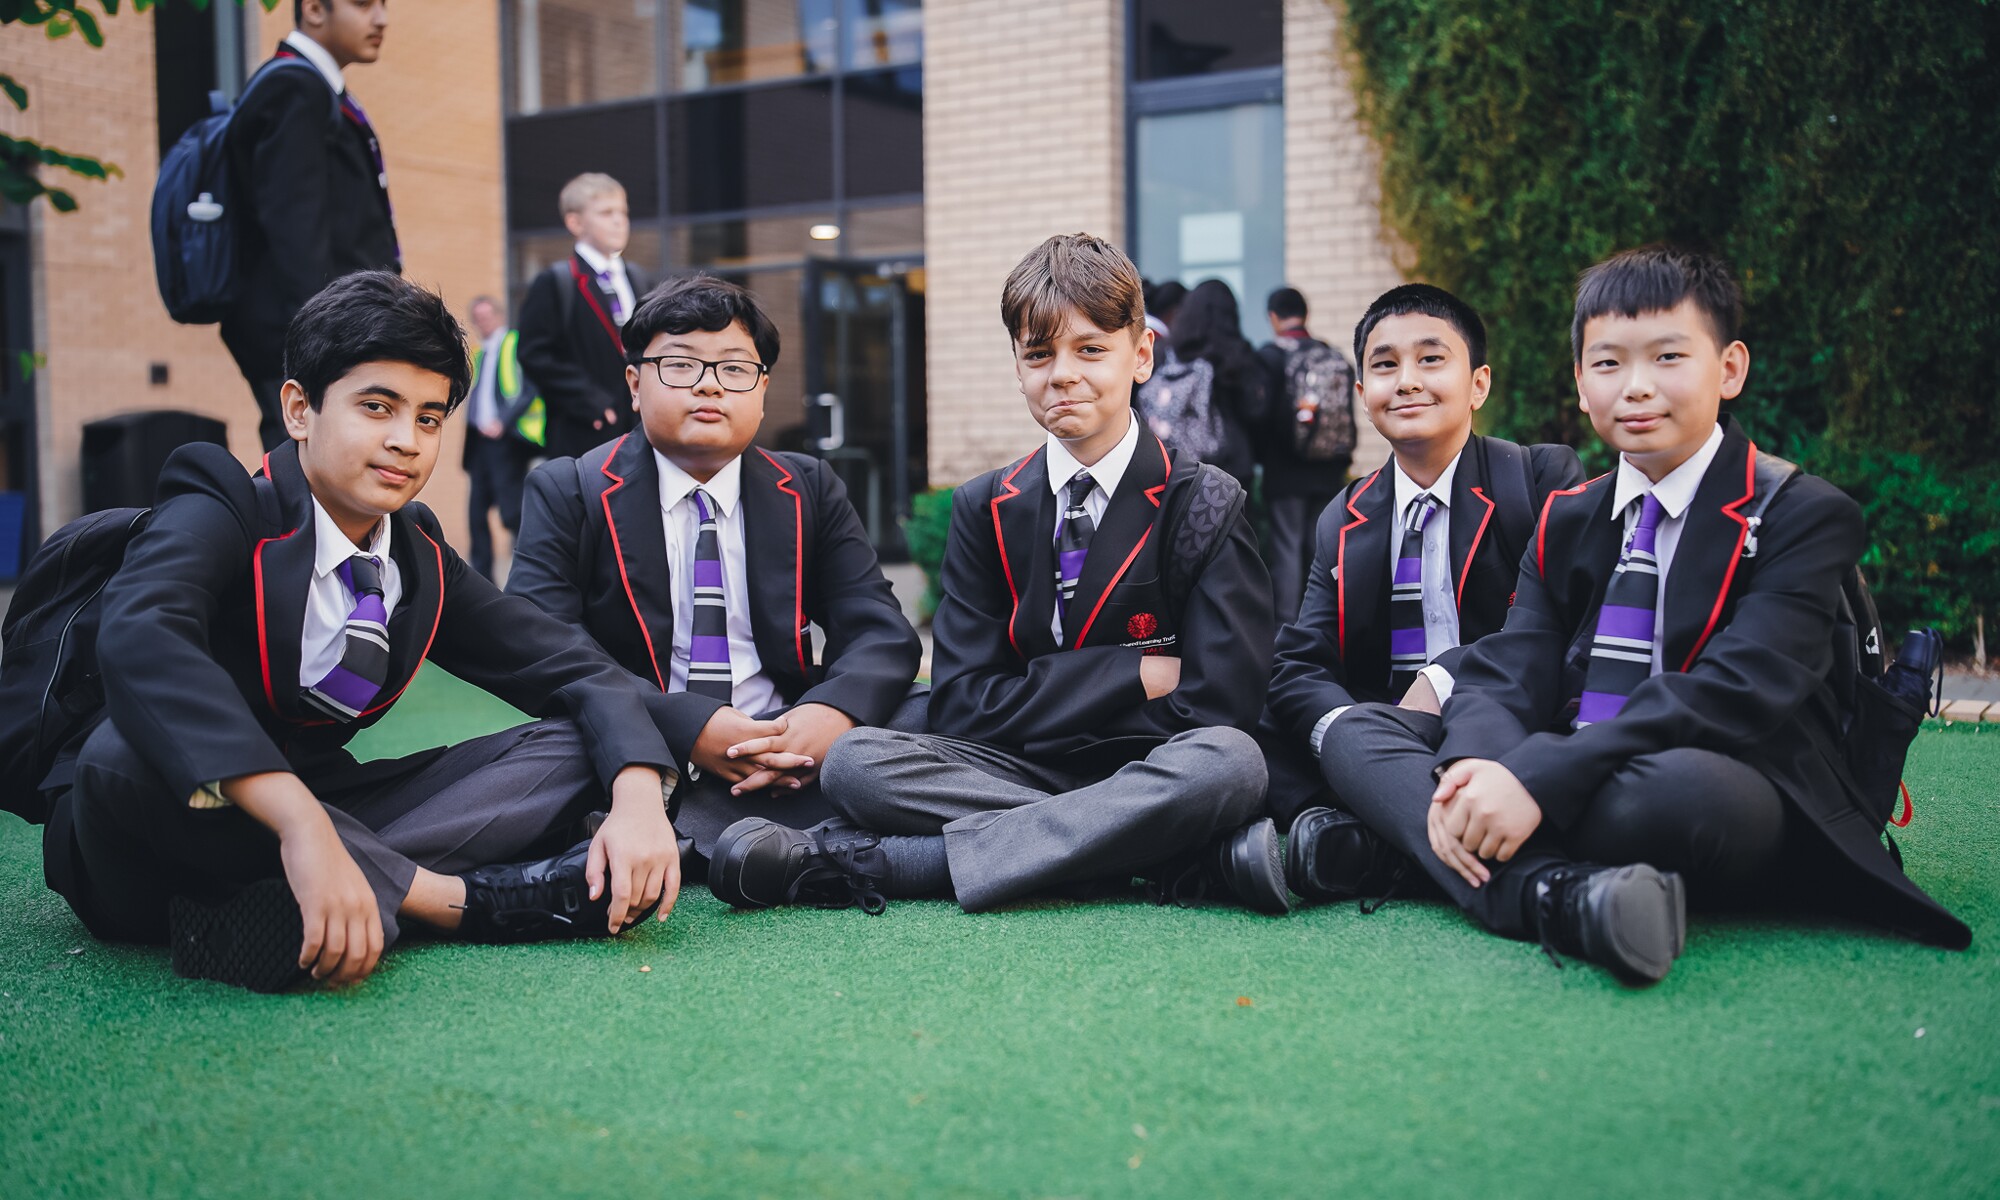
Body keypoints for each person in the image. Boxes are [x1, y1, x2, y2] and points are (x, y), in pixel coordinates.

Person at [1306, 246, 1969, 984]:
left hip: (1735, 776)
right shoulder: (1570, 515)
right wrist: (1477, 765)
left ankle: (1416, 849)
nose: (1637, 388)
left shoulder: (1802, 515)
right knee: (1359, 731)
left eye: (1668, 357)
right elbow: (1508, 667)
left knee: (1673, 793)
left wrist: (1536, 778)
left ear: (1729, 369)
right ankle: (1559, 895)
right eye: (1609, 364)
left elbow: (1736, 692)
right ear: (1582, 386)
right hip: (1576, 758)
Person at [41, 272, 684, 993]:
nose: (405, 441)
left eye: (430, 418)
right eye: (376, 407)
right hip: (153, 834)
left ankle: (310, 899)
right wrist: (298, 825)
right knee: (122, 753)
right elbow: (140, 638)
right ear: (299, 410)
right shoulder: (222, 504)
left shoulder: (416, 557)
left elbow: (576, 669)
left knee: (576, 742)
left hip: (330, 810)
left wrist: (637, 798)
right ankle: (455, 902)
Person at [702, 233, 1287, 917]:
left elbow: (1221, 707)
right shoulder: (985, 506)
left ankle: (892, 864)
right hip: (1021, 768)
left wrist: (1034, 696)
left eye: (1090, 349)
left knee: (1231, 762)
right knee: (856, 761)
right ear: (1017, 365)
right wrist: (1133, 672)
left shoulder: (1204, 500)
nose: (1062, 374)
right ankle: (1172, 852)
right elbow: (964, 701)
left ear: (1141, 354)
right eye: (1039, 354)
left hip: (1158, 766)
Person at [506, 275, 924, 869]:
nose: (708, 385)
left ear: (761, 389)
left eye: (733, 369)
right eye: (680, 366)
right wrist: (691, 725)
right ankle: (797, 843)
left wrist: (829, 714)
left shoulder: (808, 487)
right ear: (634, 384)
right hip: (643, 742)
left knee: (927, 710)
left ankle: (714, 837)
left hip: (784, 740)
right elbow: (542, 650)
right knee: (545, 752)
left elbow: (879, 629)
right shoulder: (569, 488)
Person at [1265, 281, 1581, 839]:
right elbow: (1299, 663)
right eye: (1385, 366)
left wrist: (1441, 680)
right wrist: (1347, 732)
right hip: (1383, 737)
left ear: (1478, 384)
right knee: (1259, 736)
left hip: (1499, 726)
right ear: (1363, 393)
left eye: (1431, 359)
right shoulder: (1344, 516)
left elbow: (1558, 631)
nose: (1407, 380)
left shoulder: (1538, 482)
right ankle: (1405, 815)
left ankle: (1369, 837)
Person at [221, 0, 399, 453]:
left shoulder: (312, 87)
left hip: (321, 333)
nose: (381, 19)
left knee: (326, 480)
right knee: (308, 484)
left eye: (383, 5)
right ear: (315, 9)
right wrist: (325, 340)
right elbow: (293, 230)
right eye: (363, 4)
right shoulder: (294, 88)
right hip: (311, 338)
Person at [516, 173, 655, 460]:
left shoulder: (638, 279)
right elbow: (534, 353)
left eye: (623, 212)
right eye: (606, 213)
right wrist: (590, 400)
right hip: (582, 434)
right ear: (575, 223)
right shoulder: (556, 282)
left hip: (640, 430)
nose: (619, 221)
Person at [1255, 285, 1357, 622]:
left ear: (1273, 317)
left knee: (1286, 552)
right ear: (1305, 314)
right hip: (1328, 471)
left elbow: (1264, 415)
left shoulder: (1271, 356)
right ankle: (1328, 623)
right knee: (1323, 551)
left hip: (1286, 473)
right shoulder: (1330, 354)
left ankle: (1287, 633)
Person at [462, 295, 541, 580]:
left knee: (512, 512)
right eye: (478, 319)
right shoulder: (479, 354)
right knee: (476, 514)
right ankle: (481, 581)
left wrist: (503, 422)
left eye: (487, 317)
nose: (483, 323)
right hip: (480, 444)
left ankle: (527, 576)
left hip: (507, 441)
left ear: (498, 316)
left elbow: (531, 388)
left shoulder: (515, 344)